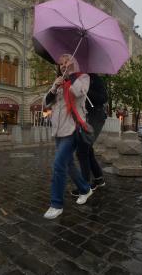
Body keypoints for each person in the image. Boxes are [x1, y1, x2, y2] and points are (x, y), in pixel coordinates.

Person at [43, 54, 93, 220]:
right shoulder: (58, 81)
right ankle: (85, 189)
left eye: (67, 62)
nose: (64, 65)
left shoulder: (82, 78)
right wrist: (54, 87)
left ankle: (56, 204)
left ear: (74, 64)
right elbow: (46, 103)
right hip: (57, 130)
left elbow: (77, 92)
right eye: (61, 63)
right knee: (69, 164)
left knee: (59, 164)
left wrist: (71, 75)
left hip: (72, 129)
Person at [71, 73, 108, 196]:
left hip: (96, 117)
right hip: (85, 118)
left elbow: (104, 98)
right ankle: (98, 178)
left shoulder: (94, 78)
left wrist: (87, 91)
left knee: (82, 150)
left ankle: (85, 186)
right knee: (88, 149)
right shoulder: (77, 79)